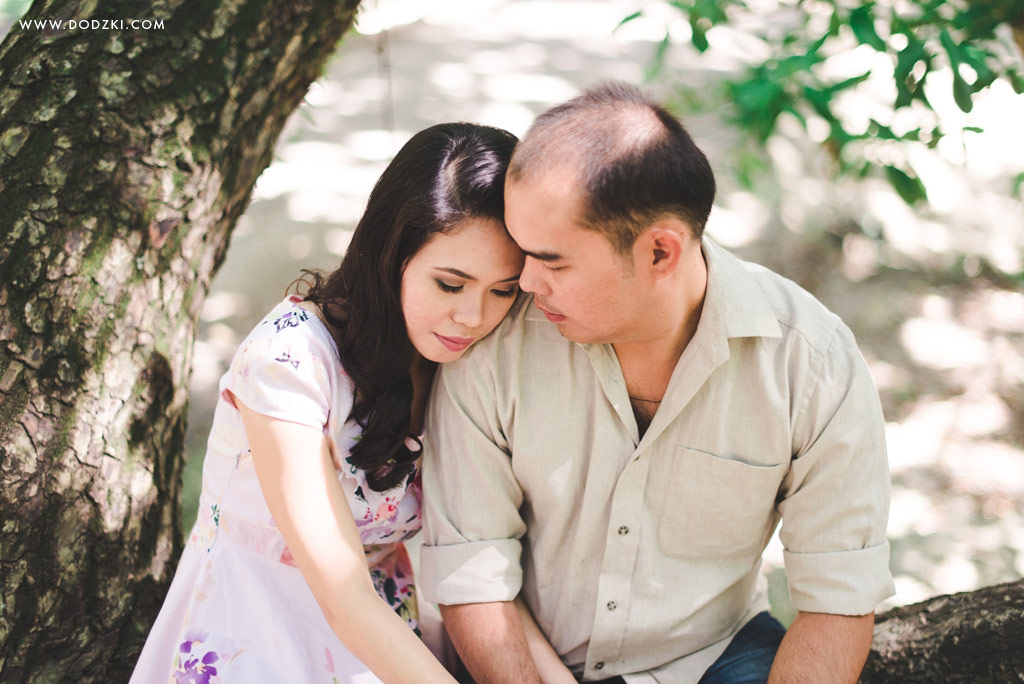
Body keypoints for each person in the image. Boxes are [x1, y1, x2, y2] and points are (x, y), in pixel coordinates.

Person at [419, 82, 895, 684]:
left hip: (712, 657)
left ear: (661, 253)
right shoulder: (495, 340)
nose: (526, 282)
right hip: (521, 660)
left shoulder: (812, 363)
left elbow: (838, 598)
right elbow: (472, 570)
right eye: (522, 252)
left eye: (553, 260)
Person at [129, 122, 527, 684]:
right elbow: (344, 596)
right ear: (392, 254)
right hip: (259, 639)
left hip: (390, 638)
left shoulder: (464, 362)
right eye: (449, 284)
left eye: (503, 291)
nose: (474, 317)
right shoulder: (288, 363)